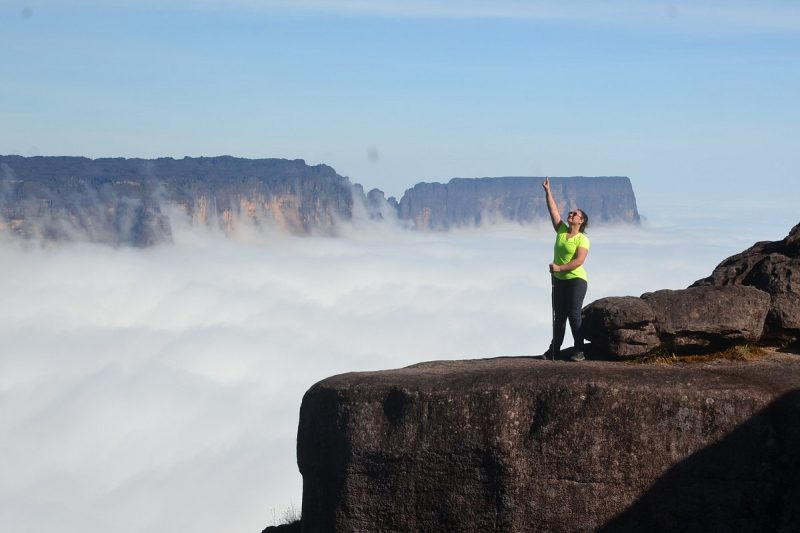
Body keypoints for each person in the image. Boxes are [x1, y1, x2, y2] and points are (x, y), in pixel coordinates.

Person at [542, 176, 590, 361]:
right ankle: (555, 350)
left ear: (581, 221)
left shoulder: (582, 239)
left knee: (574, 314)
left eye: (575, 214)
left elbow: (579, 261)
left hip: (576, 280)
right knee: (559, 317)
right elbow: (552, 210)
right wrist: (548, 191)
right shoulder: (562, 230)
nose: (571, 215)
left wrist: (559, 267)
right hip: (560, 280)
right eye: (570, 213)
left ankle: (580, 350)